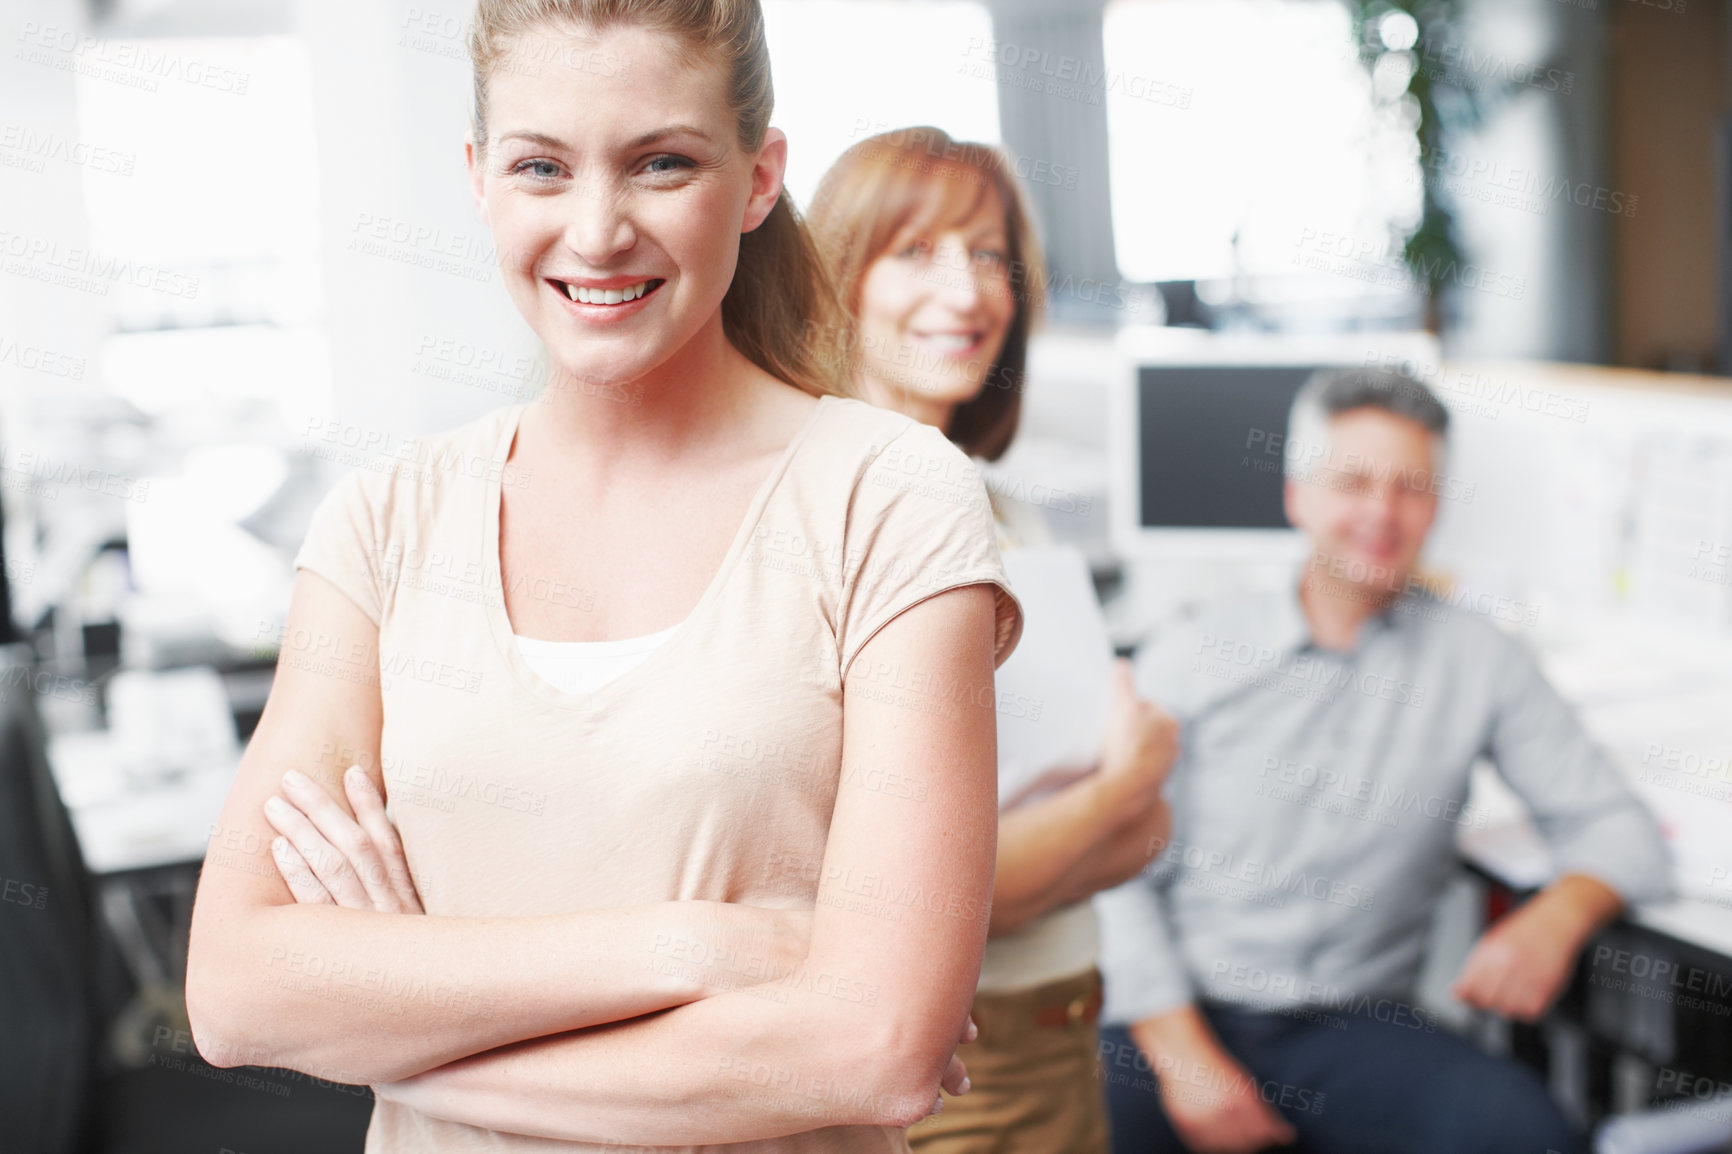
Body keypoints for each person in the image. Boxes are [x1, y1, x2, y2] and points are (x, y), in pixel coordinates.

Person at [183, 4, 1025, 1151]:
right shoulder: (386, 520)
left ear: (760, 176)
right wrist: (697, 946)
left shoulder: (890, 497)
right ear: (480, 180)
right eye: (541, 166)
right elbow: (234, 990)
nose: (595, 231)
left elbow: (871, 1048)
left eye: (661, 163)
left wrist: (408, 1030)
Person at [1094, 366, 1672, 1154]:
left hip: (1355, 1028)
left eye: (1412, 487)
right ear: (1298, 496)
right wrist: (1186, 1060)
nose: (1381, 512)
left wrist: (1559, 914)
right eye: (1354, 481)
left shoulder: (1481, 660)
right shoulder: (1191, 654)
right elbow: (1111, 875)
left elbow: (1619, 827)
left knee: (1527, 1134)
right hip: (1173, 1015)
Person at [808, 126, 1178, 1154]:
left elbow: (1149, 835)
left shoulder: (1012, 514)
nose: (966, 292)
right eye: (915, 251)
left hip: (1066, 1028)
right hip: (950, 1066)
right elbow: (918, 900)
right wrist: (1113, 791)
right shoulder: (832, 512)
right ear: (839, 274)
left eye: (989, 255)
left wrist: (1105, 815)